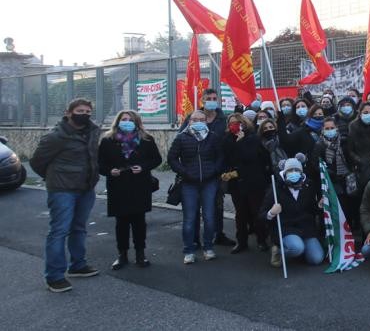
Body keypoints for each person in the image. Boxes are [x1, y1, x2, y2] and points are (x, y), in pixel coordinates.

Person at [30, 98, 102, 292]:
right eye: (80, 111)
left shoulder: (93, 132)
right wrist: (55, 178)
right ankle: (54, 276)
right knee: (59, 231)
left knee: (79, 228)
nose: (85, 114)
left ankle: (78, 265)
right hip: (62, 190)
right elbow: (37, 162)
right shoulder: (56, 136)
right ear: (68, 112)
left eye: (88, 111)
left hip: (86, 189)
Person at [97, 110, 162, 270]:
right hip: (118, 186)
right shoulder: (108, 140)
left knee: (139, 222)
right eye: (124, 119)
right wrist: (109, 171)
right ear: (118, 121)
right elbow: (100, 163)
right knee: (122, 223)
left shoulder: (146, 139)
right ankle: (122, 255)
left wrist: (143, 167)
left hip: (139, 185)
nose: (127, 122)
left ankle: (141, 254)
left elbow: (156, 159)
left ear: (137, 122)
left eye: (130, 120)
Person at [168, 110, 226, 264]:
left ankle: (208, 248)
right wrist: (184, 172)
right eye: (195, 119)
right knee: (189, 218)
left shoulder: (212, 137)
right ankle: (188, 250)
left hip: (209, 182)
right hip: (189, 183)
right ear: (190, 121)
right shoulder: (182, 137)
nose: (199, 121)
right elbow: (172, 158)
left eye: (202, 119)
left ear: (206, 121)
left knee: (209, 217)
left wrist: (214, 171)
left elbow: (220, 156)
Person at [261, 155, 325, 267]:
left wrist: (319, 206)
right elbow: (261, 214)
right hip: (287, 228)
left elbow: (311, 209)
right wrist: (271, 212)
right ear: (285, 172)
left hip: (306, 228)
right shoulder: (276, 188)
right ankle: (279, 251)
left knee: (316, 259)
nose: (294, 172)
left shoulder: (308, 186)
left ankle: (299, 250)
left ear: (301, 172)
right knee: (297, 248)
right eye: (290, 170)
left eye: (297, 170)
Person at [221, 113, 271, 254]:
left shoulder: (253, 138)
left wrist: (241, 142)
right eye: (231, 123)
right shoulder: (226, 140)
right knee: (241, 213)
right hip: (236, 182)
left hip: (254, 181)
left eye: (237, 122)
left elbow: (250, 157)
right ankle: (241, 241)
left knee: (257, 212)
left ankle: (261, 239)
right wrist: (226, 172)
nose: (234, 125)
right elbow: (227, 158)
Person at [309, 117, 358, 238]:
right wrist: (330, 173)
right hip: (330, 183)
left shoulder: (344, 142)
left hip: (346, 182)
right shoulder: (319, 146)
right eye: (327, 128)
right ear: (322, 130)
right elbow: (316, 164)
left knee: (347, 210)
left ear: (337, 129)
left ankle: (347, 237)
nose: (330, 130)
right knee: (332, 212)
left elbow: (350, 159)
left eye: (332, 128)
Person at [347, 102, 370, 200]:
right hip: (360, 169)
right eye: (366, 112)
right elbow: (349, 150)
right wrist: (360, 161)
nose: (369, 115)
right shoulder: (353, 127)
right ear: (360, 113)